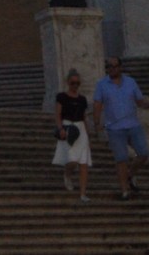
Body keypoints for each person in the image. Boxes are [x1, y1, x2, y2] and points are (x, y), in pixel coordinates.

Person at [91, 55, 149, 201]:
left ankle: (130, 175)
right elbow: (98, 104)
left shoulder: (131, 82)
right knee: (121, 158)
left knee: (143, 153)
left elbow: (139, 101)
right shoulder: (102, 84)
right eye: (109, 67)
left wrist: (146, 105)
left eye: (114, 66)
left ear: (120, 67)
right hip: (115, 128)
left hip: (133, 124)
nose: (111, 69)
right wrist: (97, 122)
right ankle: (125, 190)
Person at [51, 68, 93, 199]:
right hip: (68, 126)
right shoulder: (62, 97)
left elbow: (84, 116)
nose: (75, 85)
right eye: (73, 83)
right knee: (72, 160)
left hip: (80, 127)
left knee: (83, 162)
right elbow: (58, 114)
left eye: (77, 83)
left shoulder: (82, 99)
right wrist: (60, 128)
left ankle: (83, 193)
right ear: (68, 83)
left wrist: (88, 132)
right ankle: (67, 174)